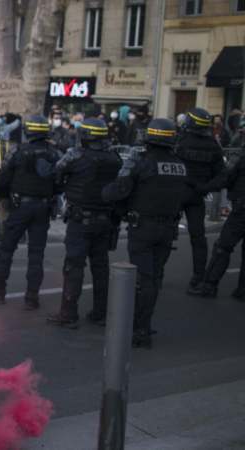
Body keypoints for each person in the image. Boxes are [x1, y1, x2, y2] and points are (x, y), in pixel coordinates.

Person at [102, 118, 187, 348]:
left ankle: (139, 330)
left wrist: (104, 193)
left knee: (143, 279)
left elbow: (119, 190)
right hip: (168, 229)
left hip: (144, 228)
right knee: (155, 277)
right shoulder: (179, 164)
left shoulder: (140, 161)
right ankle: (144, 325)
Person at [46, 119, 123, 328]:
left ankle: (68, 313)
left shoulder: (75, 155)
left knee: (74, 266)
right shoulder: (114, 158)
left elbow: (56, 174)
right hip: (105, 219)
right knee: (100, 266)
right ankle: (101, 312)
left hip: (81, 219)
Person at [0, 115, 61, 309]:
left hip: (19, 208)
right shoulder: (55, 154)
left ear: (28, 131)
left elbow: (1, 180)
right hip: (43, 208)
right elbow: (59, 183)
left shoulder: (17, 151)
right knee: (36, 254)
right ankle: (31, 298)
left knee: (6, 250)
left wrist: (4, 197)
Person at [174, 108, 225, 295]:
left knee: (162, 232)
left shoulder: (179, 140)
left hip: (177, 193)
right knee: (198, 238)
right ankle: (198, 277)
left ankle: (155, 274)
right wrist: (205, 187)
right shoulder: (213, 145)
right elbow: (221, 175)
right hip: (197, 196)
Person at [189, 139, 245, 299]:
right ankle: (242, 291)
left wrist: (202, 188)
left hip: (241, 211)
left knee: (223, 247)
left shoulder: (240, 157)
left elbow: (224, 178)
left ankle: (208, 286)